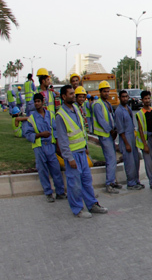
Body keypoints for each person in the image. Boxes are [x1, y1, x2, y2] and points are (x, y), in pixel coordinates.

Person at [54, 85, 108, 218]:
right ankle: (77, 209)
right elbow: (62, 139)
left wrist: (85, 147)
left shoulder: (76, 109)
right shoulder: (61, 115)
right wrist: (69, 158)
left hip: (82, 152)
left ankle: (92, 204)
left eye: (74, 93)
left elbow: (81, 130)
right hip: (72, 155)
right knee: (74, 184)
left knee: (86, 180)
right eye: (71, 94)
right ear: (64, 96)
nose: (73, 95)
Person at [23, 93, 66, 202]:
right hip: (39, 147)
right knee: (43, 171)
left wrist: (57, 146)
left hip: (51, 146)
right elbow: (28, 134)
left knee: (55, 170)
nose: (37, 103)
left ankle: (60, 192)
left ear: (43, 102)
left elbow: (56, 131)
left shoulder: (51, 115)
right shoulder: (31, 118)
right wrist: (40, 135)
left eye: (39, 101)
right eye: (35, 101)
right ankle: (48, 193)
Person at [92, 81, 120, 193]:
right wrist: (110, 131)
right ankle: (109, 184)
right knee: (111, 159)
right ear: (100, 92)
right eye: (104, 91)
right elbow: (101, 120)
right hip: (105, 135)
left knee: (112, 158)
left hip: (109, 135)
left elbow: (111, 117)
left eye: (108, 91)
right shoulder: (98, 104)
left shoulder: (107, 104)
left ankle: (113, 181)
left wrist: (115, 129)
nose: (107, 93)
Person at [114, 90, 144, 190]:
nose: (125, 98)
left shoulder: (128, 108)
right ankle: (131, 183)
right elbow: (120, 130)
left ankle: (136, 181)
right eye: (123, 97)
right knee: (129, 162)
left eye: (126, 96)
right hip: (125, 138)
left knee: (136, 160)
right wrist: (126, 143)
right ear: (119, 98)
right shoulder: (119, 111)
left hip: (132, 137)